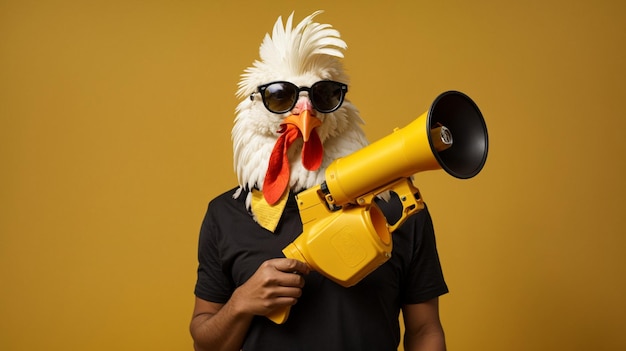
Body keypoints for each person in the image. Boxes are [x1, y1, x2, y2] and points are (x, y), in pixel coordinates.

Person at [190, 11, 448, 351]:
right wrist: (241, 303)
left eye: (323, 95)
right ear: (255, 104)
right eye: (281, 96)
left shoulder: (398, 207)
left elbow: (425, 330)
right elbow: (205, 344)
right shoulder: (224, 216)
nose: (305, 109)